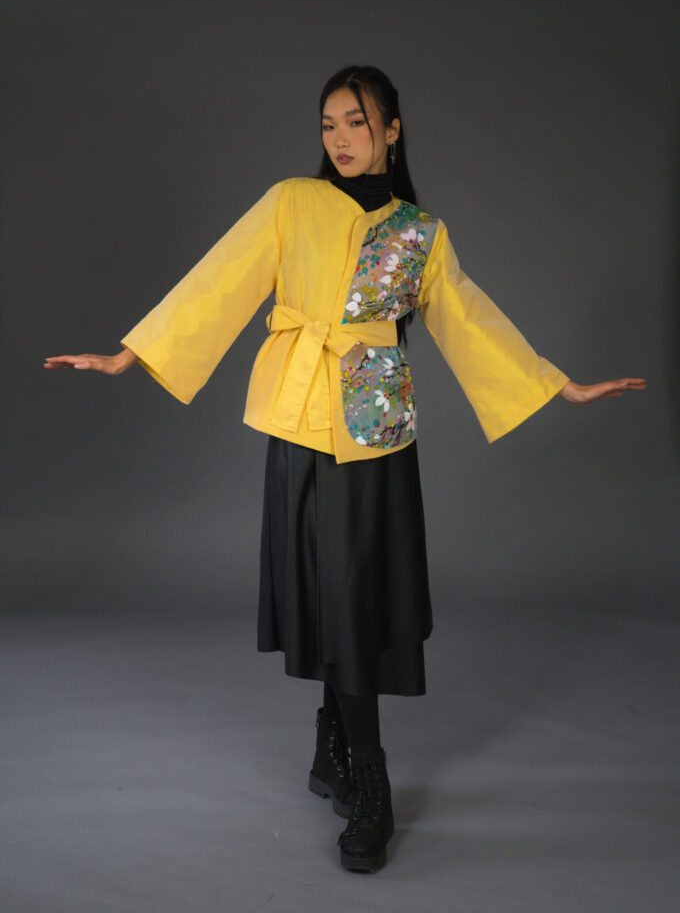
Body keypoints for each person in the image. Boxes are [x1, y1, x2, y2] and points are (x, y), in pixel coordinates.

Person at [44, 64, 646, 874]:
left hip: (374, 428)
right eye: (328, 124)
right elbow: (221, 278)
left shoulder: (419, 232)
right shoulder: (292, 201)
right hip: (298, 418)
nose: (339, 138)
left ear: (391, 130)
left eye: (356, 122)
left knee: (353, 593)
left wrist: (555, 384)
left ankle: (363, 770)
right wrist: (131, 355)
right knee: (328, 590)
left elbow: (469, 318)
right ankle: (342, 752)